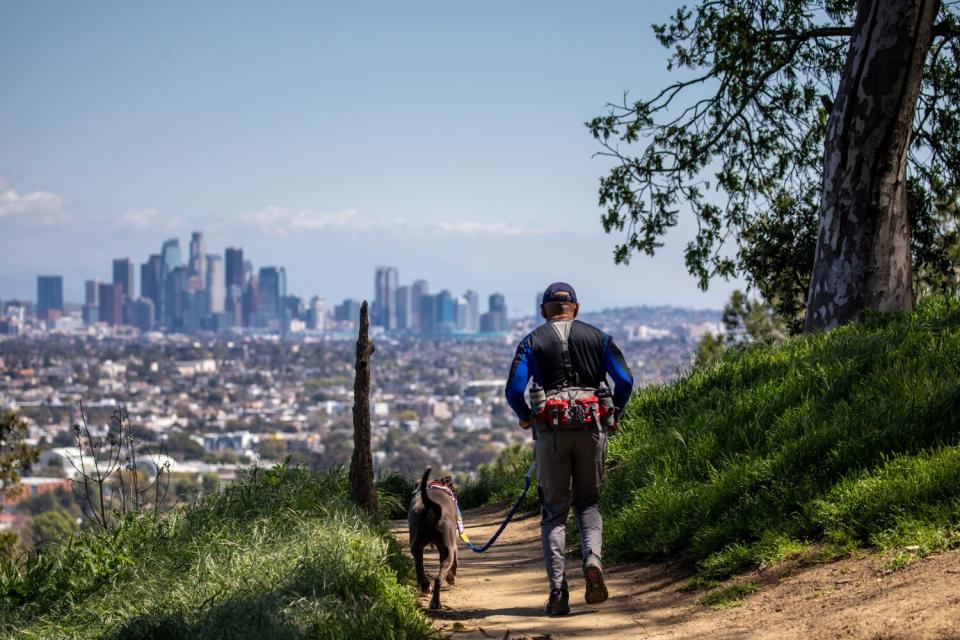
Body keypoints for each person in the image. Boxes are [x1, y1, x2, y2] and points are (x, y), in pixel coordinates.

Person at [505, 282, 634, 616]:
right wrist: (614, 413)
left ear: (543, 310)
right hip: (592, 428)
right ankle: (592, 559)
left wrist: (524, 417)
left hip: (551, 433)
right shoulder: (599, 337)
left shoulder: (531, 341)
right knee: (588, 503)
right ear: (576, 307)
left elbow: (514, 389)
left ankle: (558, 593)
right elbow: (625, 381)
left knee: (554, 511)